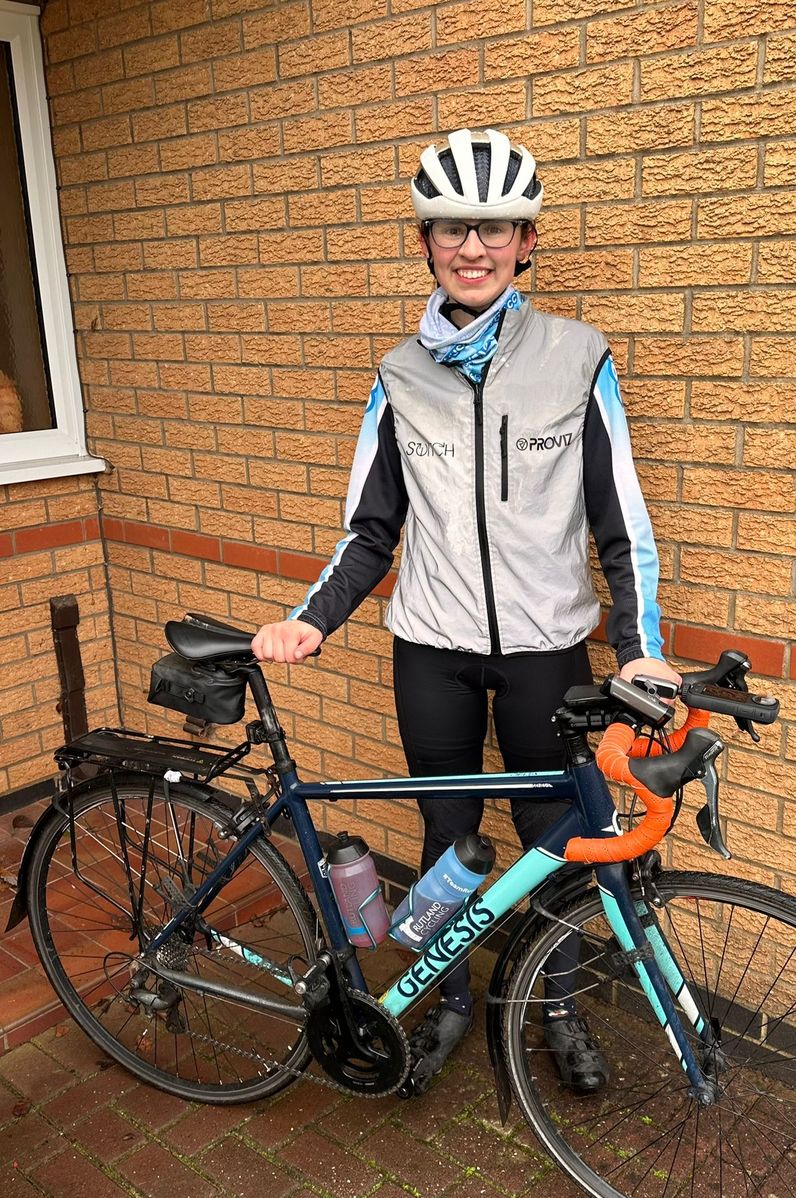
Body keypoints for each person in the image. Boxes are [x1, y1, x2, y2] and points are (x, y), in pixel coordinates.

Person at [252, 128, 680, 1093]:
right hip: (431, 651)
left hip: (545, 652)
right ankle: (445, 1001)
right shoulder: (400, 374)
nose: (472, 247)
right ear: (427, 245)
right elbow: (370, 528)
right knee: (447, 838)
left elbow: (625, 523)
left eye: (493, 228)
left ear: (526, 241)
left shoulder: (577, 356)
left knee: (560, 837)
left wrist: (641, 648)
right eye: (451, 229)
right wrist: (311, 618)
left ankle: (557, 1008)